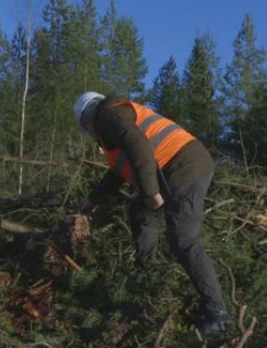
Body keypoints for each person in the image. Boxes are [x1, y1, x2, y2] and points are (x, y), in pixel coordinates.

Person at [73, 91, 230, 337]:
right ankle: (149, 275)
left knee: (184, 240)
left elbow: (138, 146)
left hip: (184, 167)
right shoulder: (113, 126)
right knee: (139, 212)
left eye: (86, 129)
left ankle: (218, 315)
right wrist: (92, 200)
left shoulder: (109, 116)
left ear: (88, 120)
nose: (91, 135)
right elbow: (116, 174)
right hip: (177, 168)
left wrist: (151, 192)